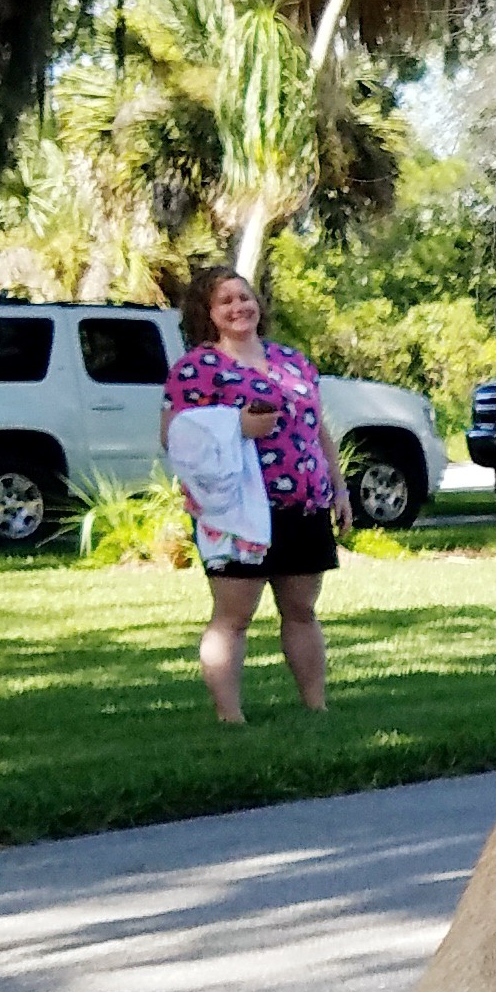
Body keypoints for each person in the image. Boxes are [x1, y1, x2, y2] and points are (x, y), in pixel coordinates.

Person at [161, 267, 347, 724]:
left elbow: (316, 427)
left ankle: (316, 706)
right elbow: (174, 434)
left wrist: (337, 487)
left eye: (244, 297)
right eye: (225, 301)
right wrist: (234, 426)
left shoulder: (293, 361)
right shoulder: (197, 368)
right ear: (208, 314)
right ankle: (231, 717)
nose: (239, 307)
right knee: (234, 616)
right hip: (238, 510)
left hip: (303, 503)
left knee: (302, 610)